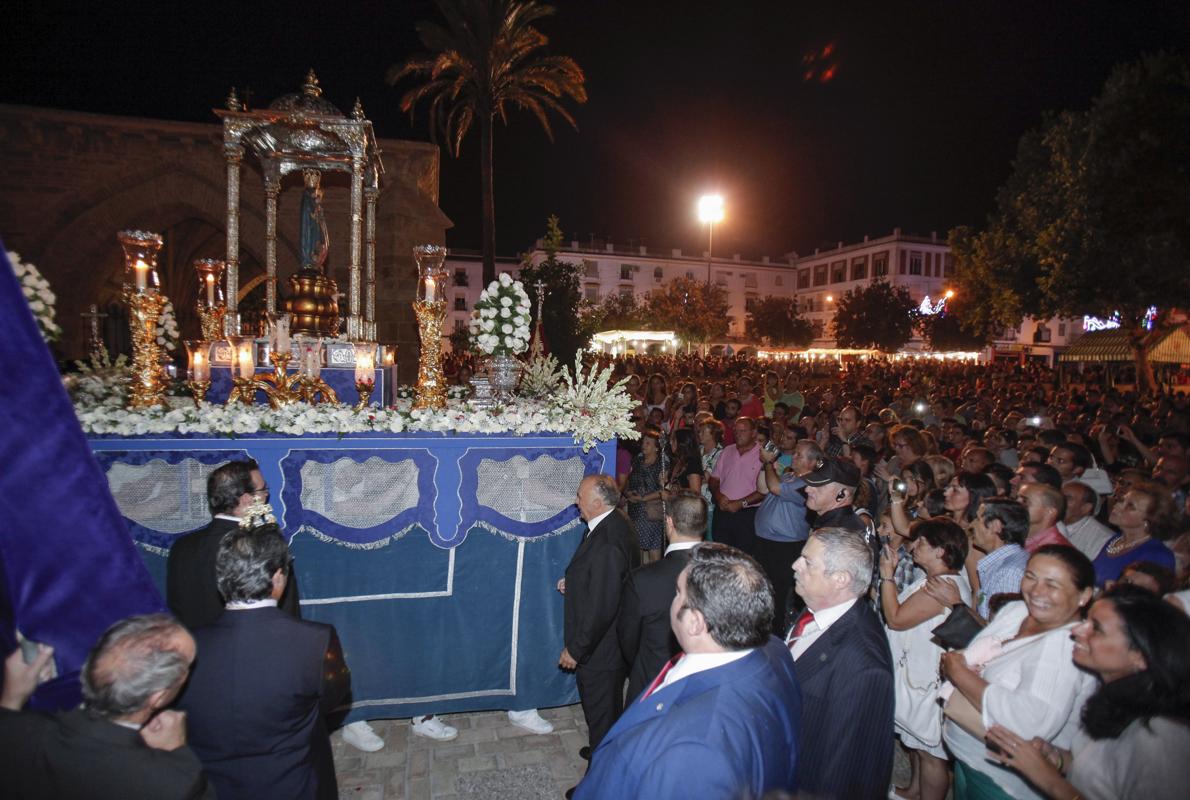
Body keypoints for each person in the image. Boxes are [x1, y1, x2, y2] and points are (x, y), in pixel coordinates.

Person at [574, 543, 800, 799]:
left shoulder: (692, 752)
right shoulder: (776, 650)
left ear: (695, 623)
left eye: (678, 592)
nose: (673, 599)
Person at [178, 523, 349, 800]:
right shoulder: (315, 639)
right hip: (293, 782)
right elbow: (331, 696)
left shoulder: (186, 647)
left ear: (221, 579)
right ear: (278, 578)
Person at [985, 588, 1190, 800]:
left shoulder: (1161, 737)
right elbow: (1107, 775)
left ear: (1139, 655)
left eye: (1097, 629)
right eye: (1087, 620)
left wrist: (1049, 781)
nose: (1077, 631)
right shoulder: (1112, 697)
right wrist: (1059, 760)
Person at [941, 546, 1098, 800]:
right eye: (1031, 577)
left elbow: (1029, 723)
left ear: (1083, 595)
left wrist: (960, 674)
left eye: (1052, 584)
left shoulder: (1065, 646)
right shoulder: (1018, 611)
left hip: (1002, 782)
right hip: (967, 757)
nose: (1037, 591)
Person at [0, 614, 212, 800]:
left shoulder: (19, 735)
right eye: (188, 666)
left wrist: (11, 699)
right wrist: (176, 750)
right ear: (159, 697)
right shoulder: (176, 784)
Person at [789, 527, 895, 799]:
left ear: (840, 579)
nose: (795, 565)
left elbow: (846, 769)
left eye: (807, 562)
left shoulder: (863, 665)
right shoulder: (817, 609)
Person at [880, 518, 972, 800]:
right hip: (918, 675)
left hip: (929, 681)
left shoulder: (942, 585)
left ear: (941, 551)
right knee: (917, 744)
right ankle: (913, 791)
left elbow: (896, 619)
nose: (914, 545)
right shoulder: (934, 579)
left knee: (932, 755)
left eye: (922, 543)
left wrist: (887, 577)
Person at [559, 475, 639, 760]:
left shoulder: (607, 541)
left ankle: (601, 777)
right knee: (602, 710)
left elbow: (602, 607)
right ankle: (599, 748)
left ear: (596, 502)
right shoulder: (610, 523)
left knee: (603, 713)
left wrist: (576, 649)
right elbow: (605, 579)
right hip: (609, 643)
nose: (575, 501)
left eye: (579, 496)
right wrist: (575, 581)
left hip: (601, 650)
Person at [166, 459, 300, 630]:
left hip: (197, 651)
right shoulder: (266, 548)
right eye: (263, 489)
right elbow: (285, 613)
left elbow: (177, 610)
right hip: (257, 650)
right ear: (246, 499)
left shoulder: (182, 547)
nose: (266, 495)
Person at [617, 491, 705, 702]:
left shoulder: (643, 579)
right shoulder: (725, 570)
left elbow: (627, 639)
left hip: (653, 683)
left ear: (669, 522)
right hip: (704, 687)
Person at [754, 439, 818, 632]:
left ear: (813, 461)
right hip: (765, 542)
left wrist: (767, 463)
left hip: (784, 547)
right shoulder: (790, 477)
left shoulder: (809, 483)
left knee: (779, 592)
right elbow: (763, 488)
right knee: (762, 588)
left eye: (799, 455)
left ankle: (779, 633)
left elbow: (774, 488)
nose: (794, 457)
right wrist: (767, 466)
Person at [1093, 480, 1178, 585]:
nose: (1118, 506)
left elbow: (1139, 598)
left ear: (1149, 520)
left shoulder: (1157, 555)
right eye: (1121, 501)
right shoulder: (1115, 540)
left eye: (1130, 506)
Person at [708, 416, 764, 553]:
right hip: (723, 510)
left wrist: (741, 503)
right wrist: (718, 495)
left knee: (743, 557)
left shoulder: (763, 455)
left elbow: (765, 491)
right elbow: (714, 479)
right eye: (736, 431)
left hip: (746, 514)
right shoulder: (728, 450)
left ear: (754, 433)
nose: (738, 434)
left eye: (743, 431)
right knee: (720, 555)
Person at [625, 427, 666, 563]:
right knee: (637, 550)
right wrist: (628, 493)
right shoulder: (637, 460)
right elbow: (629, 480)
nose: (644, 445)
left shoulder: (662, 464)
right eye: (644, 442)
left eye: (648, 443)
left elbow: (664, 490)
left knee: (654, 552)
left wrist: (642, 498)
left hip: (651, 512)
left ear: (656, 448)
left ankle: (656, 581)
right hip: (635, 511)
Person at [1060, 480, 1115, 561]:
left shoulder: (1102, 538)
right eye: (1059, 495)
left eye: (1068, 498)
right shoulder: (1051, 521)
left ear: (1085, 508)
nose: (1060, 500)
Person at [1018, 483, 1074, 552]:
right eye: (1015, 499)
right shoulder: (1015, 534)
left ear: (1049, 512)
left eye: (1024, 501)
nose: (1015, 504)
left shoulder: (1056, 552)